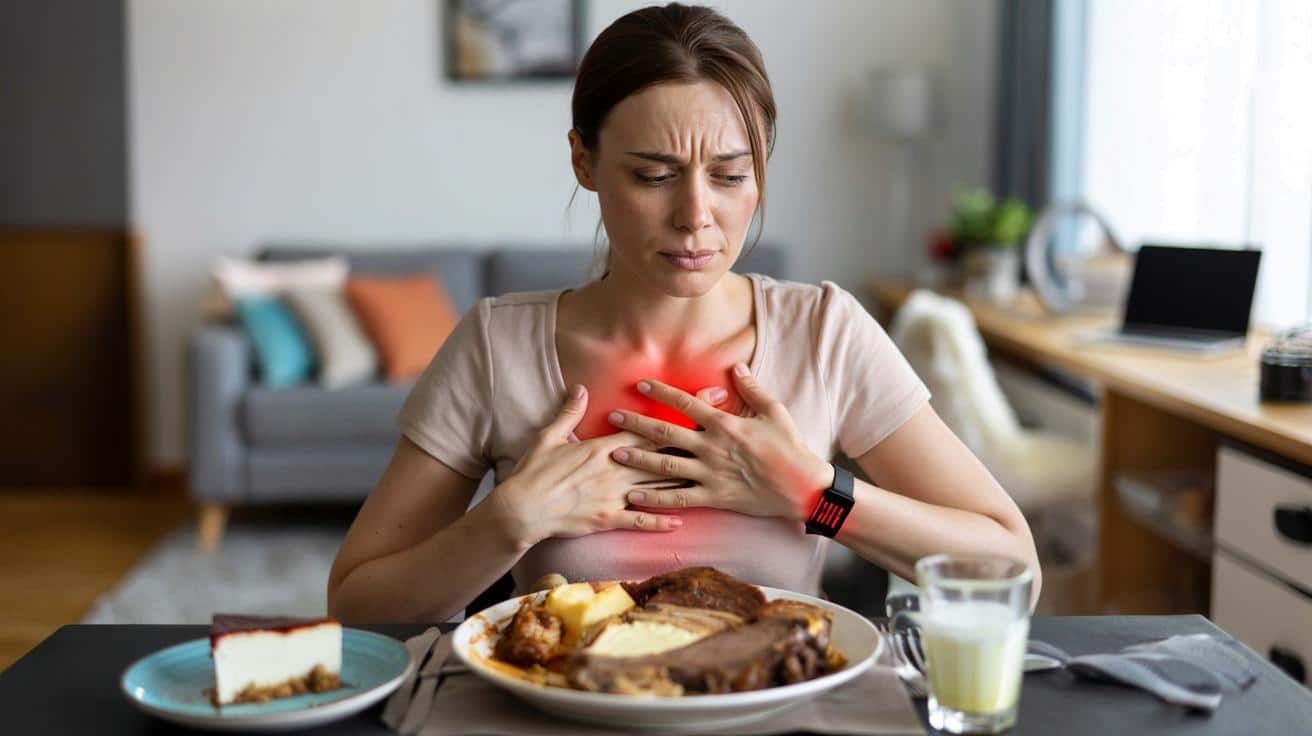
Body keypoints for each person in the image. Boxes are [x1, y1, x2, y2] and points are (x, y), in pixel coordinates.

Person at [327, 3, 1040, 623]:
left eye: (731, 175)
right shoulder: (496, 346)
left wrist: (814, 496)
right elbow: (355, 604)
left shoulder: (825, 333)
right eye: (654, 175)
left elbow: (1013, 572)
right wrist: (508, 522)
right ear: (584, 162)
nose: (696, 215)